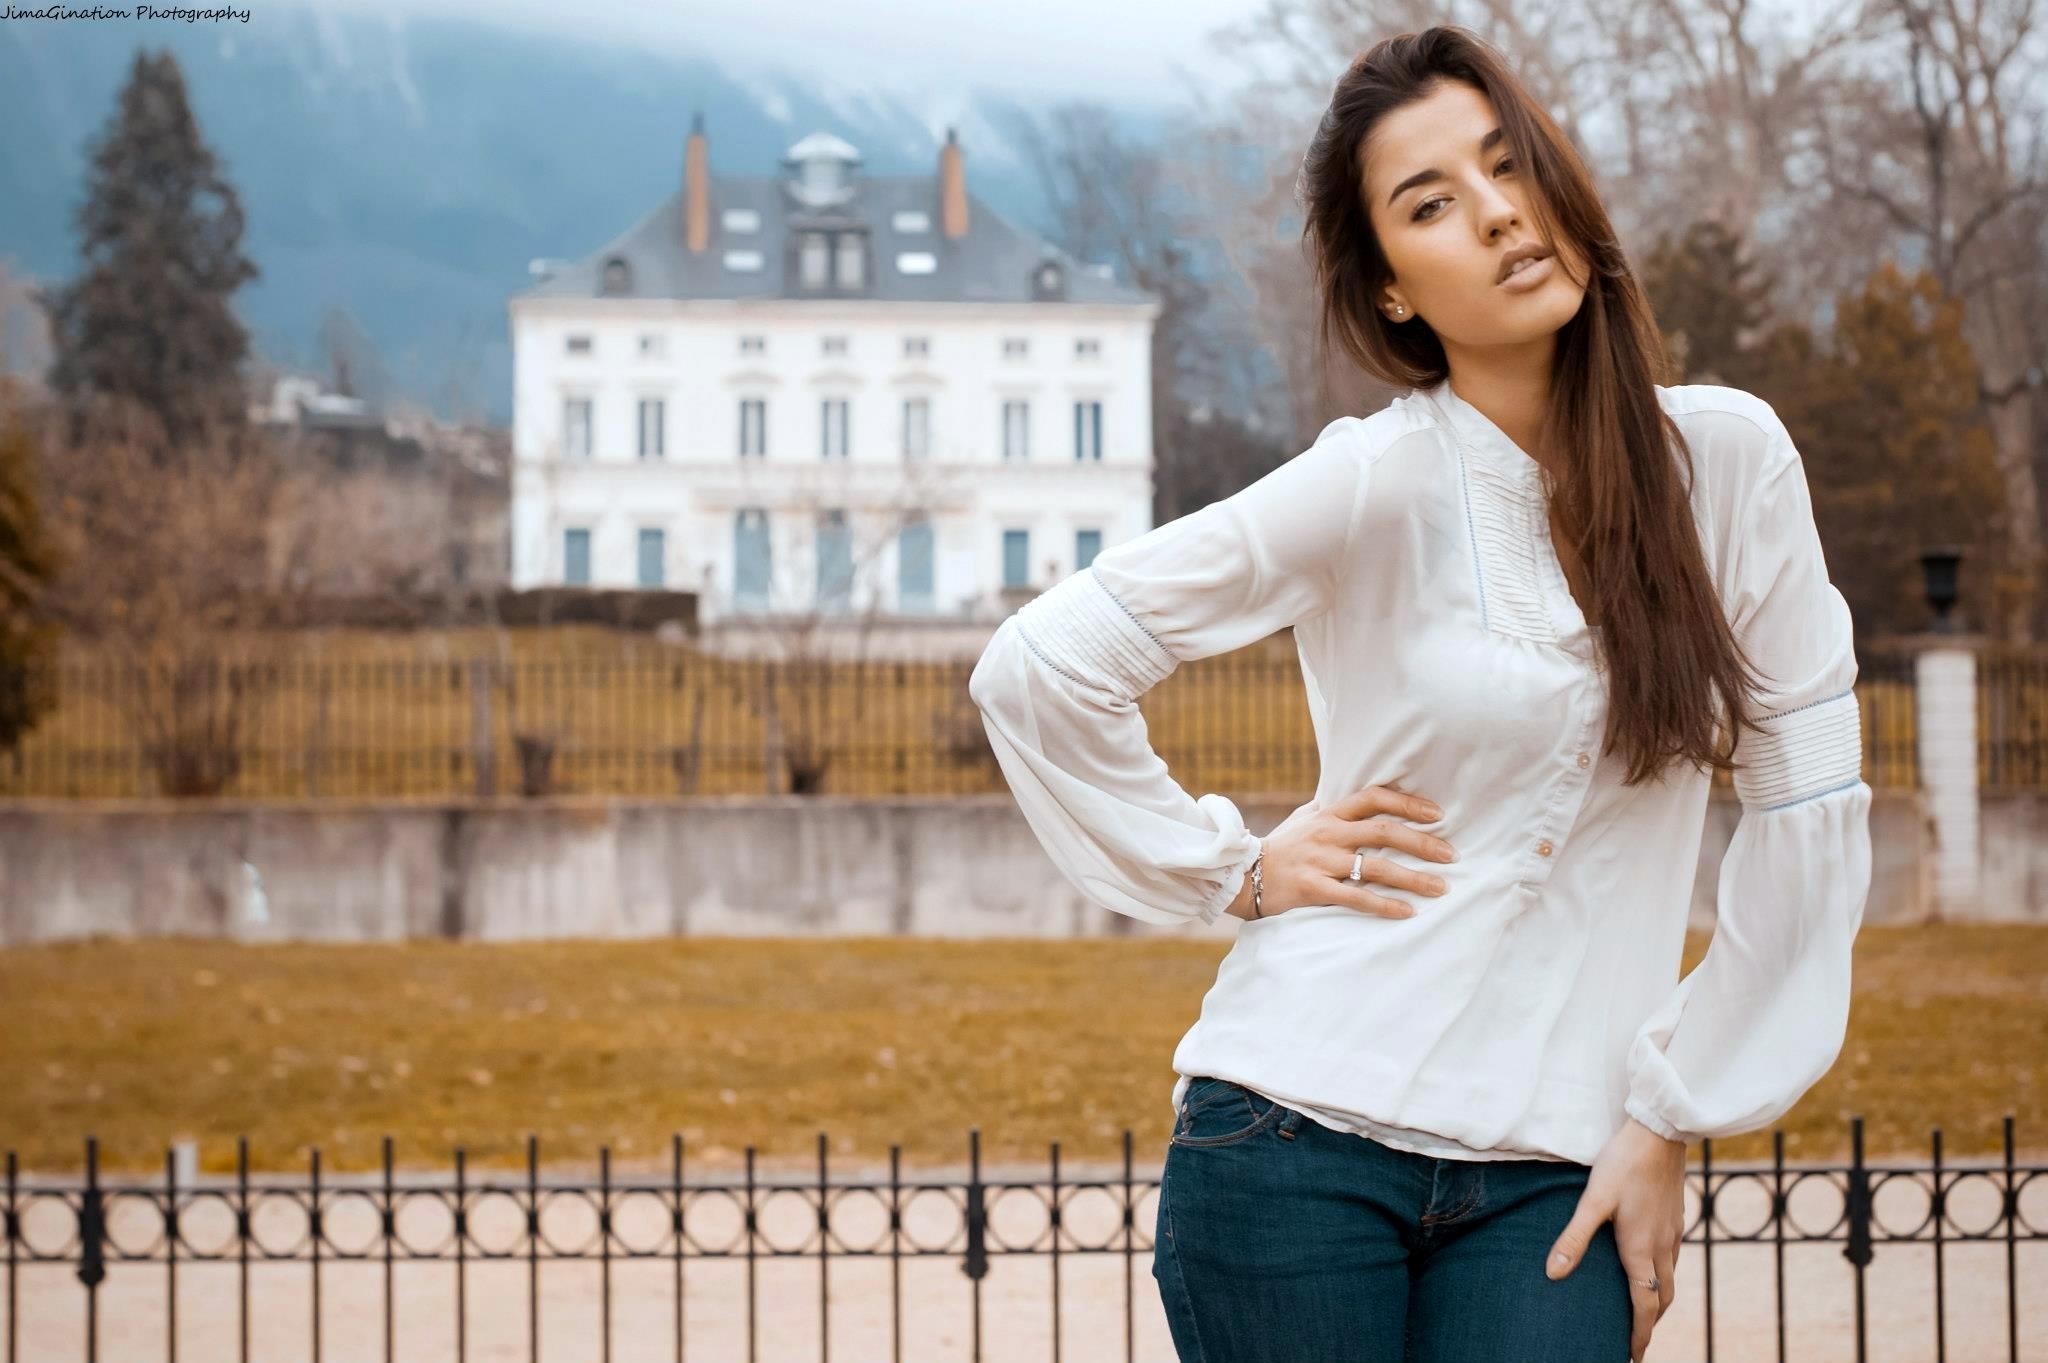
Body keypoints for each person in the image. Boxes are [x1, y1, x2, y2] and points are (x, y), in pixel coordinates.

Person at [964, 24, 1873, 1363]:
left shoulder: (1729, 465)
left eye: (1512, 167)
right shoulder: (1372, 480)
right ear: (1392, 289)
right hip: (1292, 1139)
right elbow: (1040, 666)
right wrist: (1235, 871)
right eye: (1432, 204)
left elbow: (1808, 809)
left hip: (1560, 1166)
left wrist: (1673, 1111)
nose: (1500, 215)